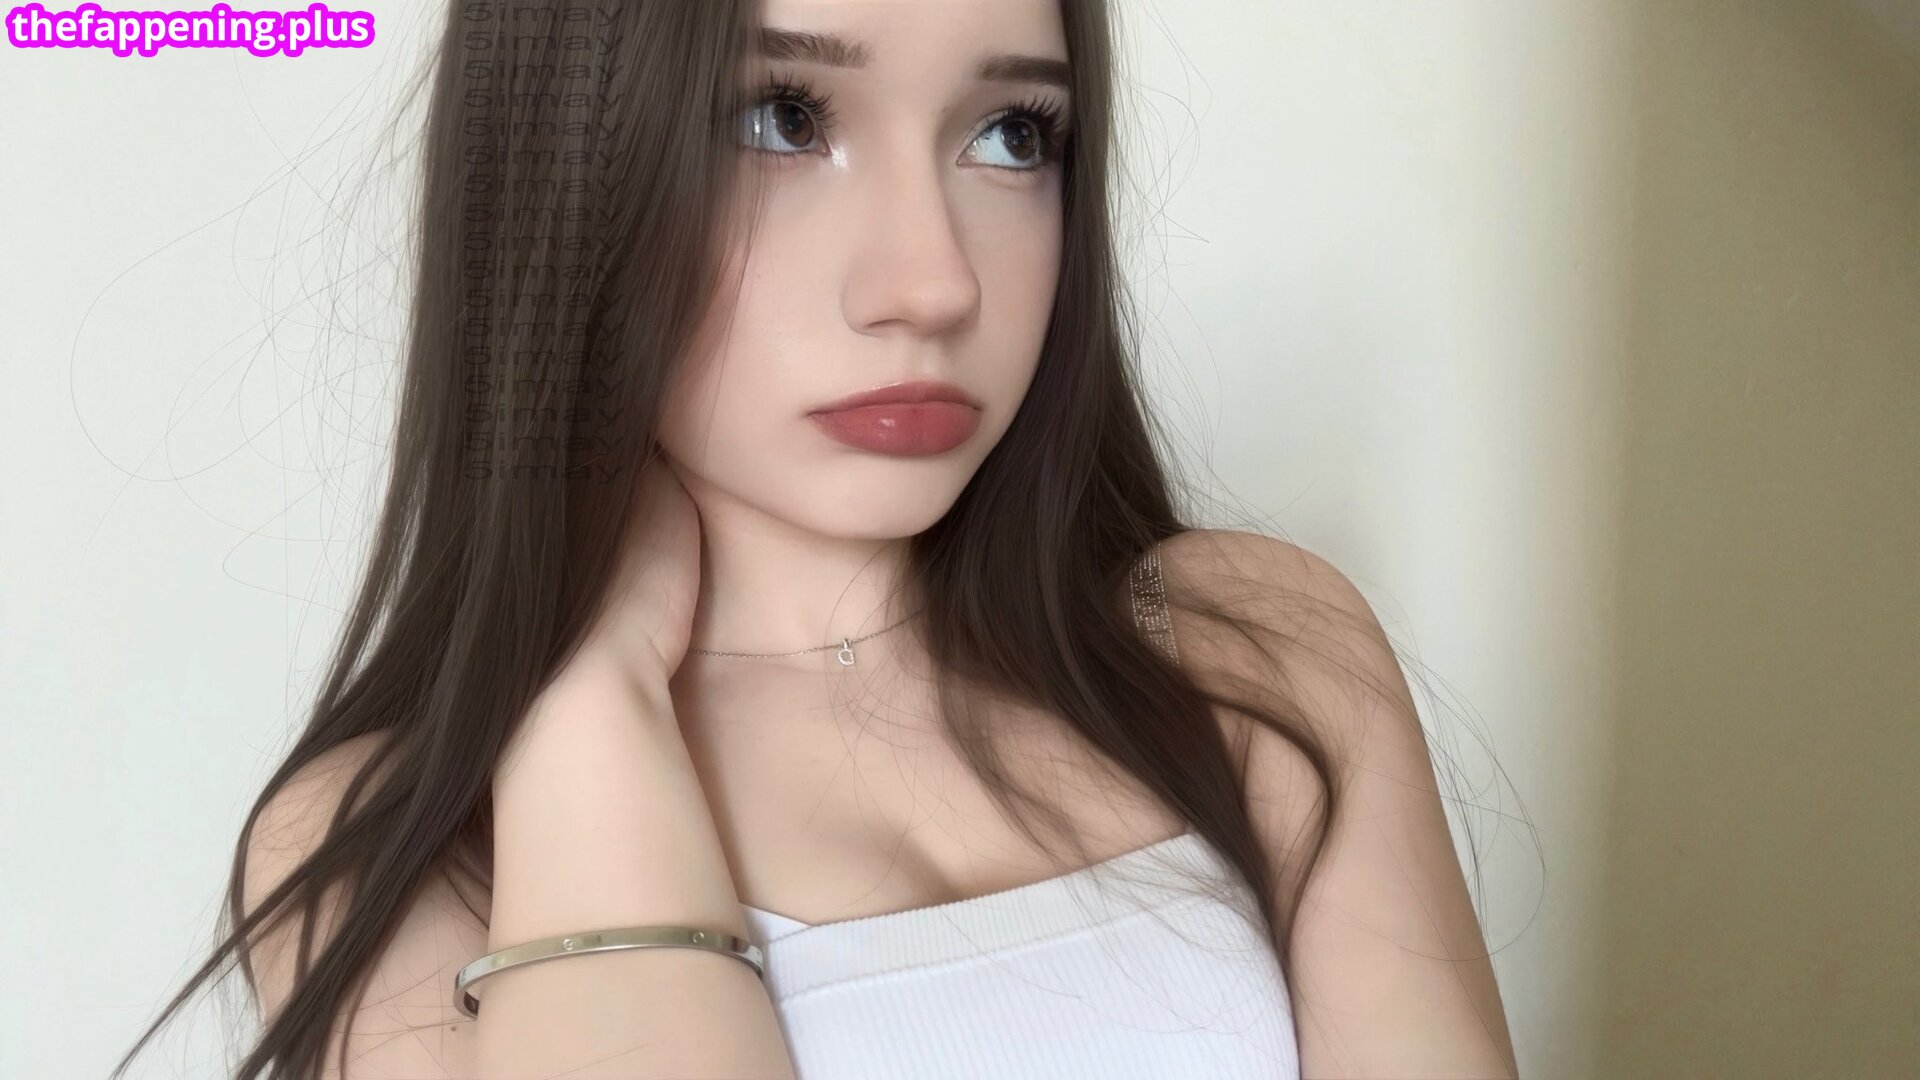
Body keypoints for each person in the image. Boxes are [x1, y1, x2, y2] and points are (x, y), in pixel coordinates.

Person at [112, 1, 1519, 1077]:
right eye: (782, 117)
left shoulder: (1251, 657)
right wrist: (583, 695)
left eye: (1011, 133)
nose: (933, 281)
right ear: (565, 158)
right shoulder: (386, 849)